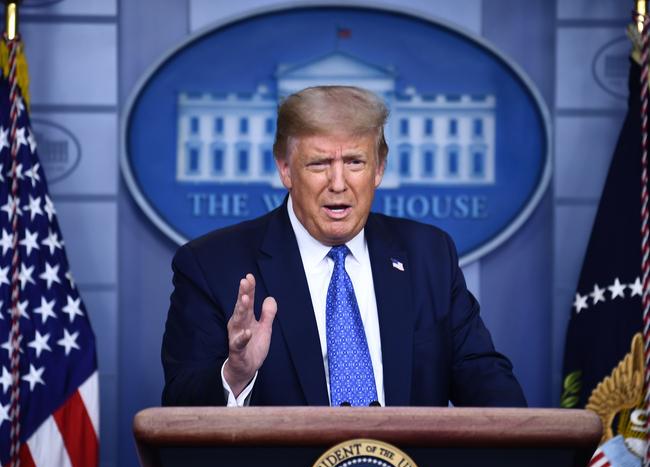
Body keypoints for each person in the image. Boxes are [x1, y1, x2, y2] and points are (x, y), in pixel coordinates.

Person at [161, 85, 526, 407]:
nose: (338, 183)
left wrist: (528, 445)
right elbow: (179, 404)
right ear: (285, 169)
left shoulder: (428, 255)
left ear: (379, 168)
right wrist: (235, 374)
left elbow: (484, 378)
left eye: (354, 162)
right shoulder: (211, 265)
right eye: (319, 163)